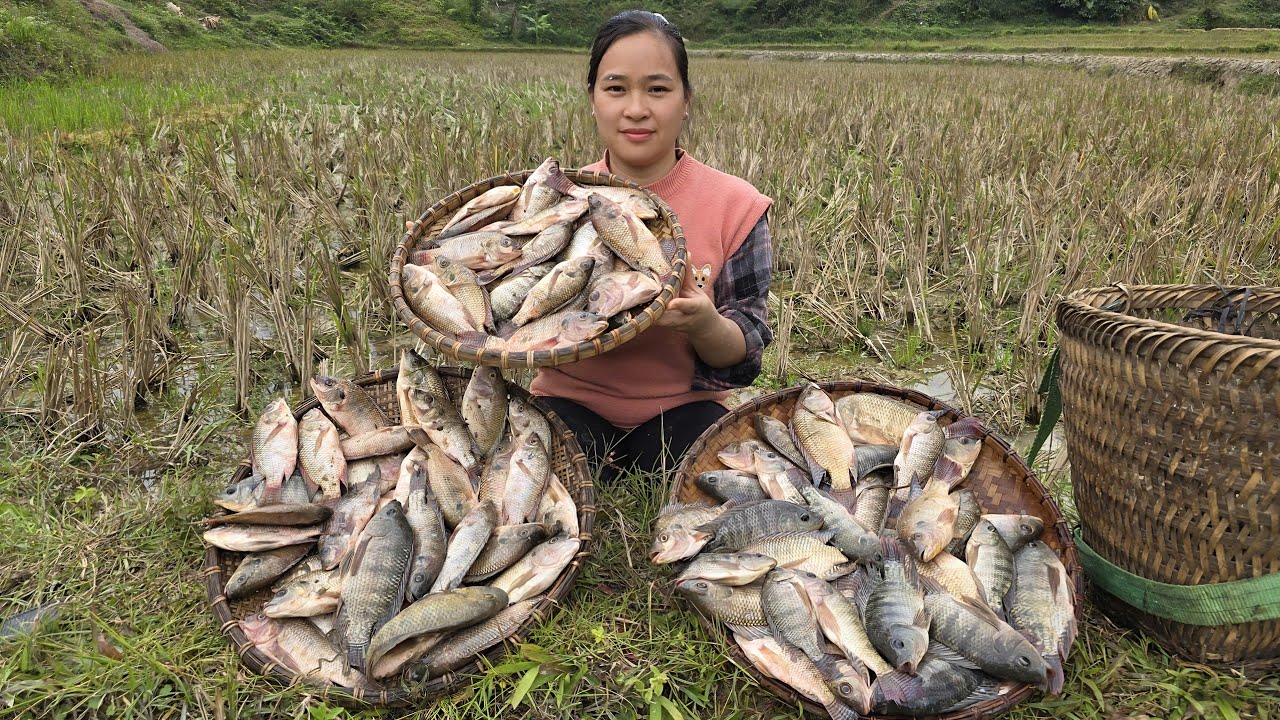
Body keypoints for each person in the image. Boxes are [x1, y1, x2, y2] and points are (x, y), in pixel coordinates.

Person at [530, 10, 775, 482]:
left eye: (658, 89)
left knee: (711, 473)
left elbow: (744, 354)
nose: (636, 109)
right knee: (547, 468)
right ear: (593, 99)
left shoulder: (737, 206)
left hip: (684, 413)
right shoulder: (559, 201)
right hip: (567, 405)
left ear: (686, 100)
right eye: (616, 88)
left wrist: (705, 324)